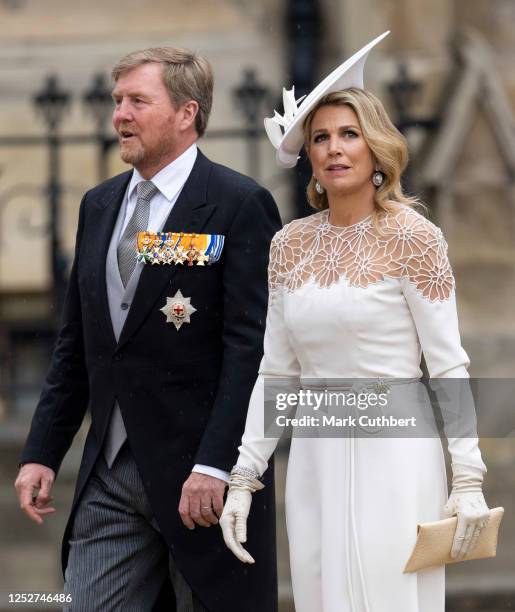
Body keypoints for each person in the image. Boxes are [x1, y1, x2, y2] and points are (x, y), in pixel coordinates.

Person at [220, 32, 491, 612]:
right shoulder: (289, 245)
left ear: (375, 147)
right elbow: (275, 371)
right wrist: (244, 474)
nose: (335, 148)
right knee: (320, 592)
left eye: (350, 134)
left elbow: (447, 361)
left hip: (396, 451)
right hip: (315, 454)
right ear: (310, 158)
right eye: (321, 137)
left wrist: (467, 478)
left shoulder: (414, 237)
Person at [14, 47, 281, 612]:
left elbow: (249, 351)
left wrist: (216, 464)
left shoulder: (239, 204)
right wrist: (42, 450)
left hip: (200, 479)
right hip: (108, 472)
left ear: (186, 113)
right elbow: (77, 345)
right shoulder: (100, 204)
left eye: (138, 101)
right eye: (117, 101)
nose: (120, 115)